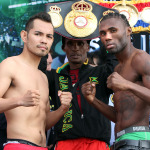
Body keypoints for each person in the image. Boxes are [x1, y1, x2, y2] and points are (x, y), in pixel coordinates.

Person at [0, 12, 72, 150]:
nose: (44, 40)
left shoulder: (43, 77)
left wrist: (63, 109)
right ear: (24, 36)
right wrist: (19, 100)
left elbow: (43, 123)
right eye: (38, 34)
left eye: (49, 36)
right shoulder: (10, 64)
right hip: (18, 145)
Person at [81, 12, 150, 150]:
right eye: (103, 33)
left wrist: (127, 85)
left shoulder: (141, 58)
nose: (107, 37)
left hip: (138, 141)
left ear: (128, 31)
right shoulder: (117, 69)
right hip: (121, 142)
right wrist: (92, 100)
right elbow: (119, 116)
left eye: (113, 31)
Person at [46, 36, 118, 150]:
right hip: (65, 144)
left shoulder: (100, 73)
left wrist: (107, 37)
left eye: (80, 44)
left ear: (87, 47)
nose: (75, 48)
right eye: (70, 44)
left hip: (97, 144)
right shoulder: (54, 76)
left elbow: (115, 67)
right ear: (63, 48)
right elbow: (36, 70)